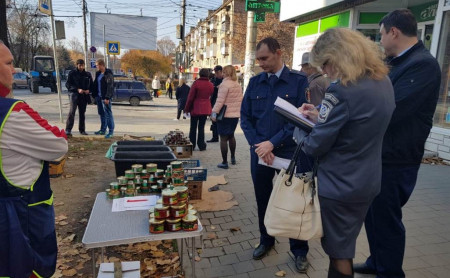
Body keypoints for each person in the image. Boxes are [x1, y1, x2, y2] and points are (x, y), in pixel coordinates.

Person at [295, 28, 395, 278]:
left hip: (340, 185)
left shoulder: (341, 90)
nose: (326, 71)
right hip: (367, 180)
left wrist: (298, 128)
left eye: (326, 64)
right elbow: (359, 124)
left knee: (339, 252)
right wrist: (322, 116)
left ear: (339, 56)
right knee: (345, 245)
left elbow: (315, 145)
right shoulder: (382, 81)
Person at [354, 9, 441, 278]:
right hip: (380, 154)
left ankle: (390, 272)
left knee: (387, 220)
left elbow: (392, 109)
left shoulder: (422, 65)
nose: (380, 41)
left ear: (394, 32)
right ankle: (377, 261)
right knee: (374, 216)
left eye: (381, 34)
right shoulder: (397, 62)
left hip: (397, 158)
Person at [240, 37, 311, 273]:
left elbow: (301, 120)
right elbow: (245, 118)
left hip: (290, 153)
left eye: (264, 58)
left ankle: (299, 250)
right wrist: (259, 146)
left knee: (293, 202)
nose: (260, 63)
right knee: (263, 199)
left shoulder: (299, 82)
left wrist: (272, 143)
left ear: (279, 53)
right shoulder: (255, 82)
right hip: (260, 154)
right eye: (258, 59)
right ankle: (266, 240)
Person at [0, 40, 68, 278]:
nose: (14, 70)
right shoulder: (11, 113)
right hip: (18, 226)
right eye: (8, 63)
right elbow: (58, 145)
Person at [211, 65, 243, 169]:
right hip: (235, 115)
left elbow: (220, 101)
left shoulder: (224, 85)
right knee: (231, 136)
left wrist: (214, 113)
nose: (222, 74)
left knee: (223, 138)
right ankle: (233, 158)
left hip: (224, 115)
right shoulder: (237, 84)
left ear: (226, 73)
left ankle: (224, 162)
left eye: (224, 72)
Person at [184, 68, 214, 151]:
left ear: (200, 74)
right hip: (205, 108)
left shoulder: (196, 83)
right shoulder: (210, 84)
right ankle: (201, 145)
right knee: (201, 127)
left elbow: (190, 98)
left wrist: (186, 108)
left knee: (193, 127)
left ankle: (192, 144)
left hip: (195, 108)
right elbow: (210, 95)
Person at [65, 59, 92, 137]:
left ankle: (82, 130)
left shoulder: (87, 74)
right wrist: (77, 89)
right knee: (72, 112)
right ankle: (68, 129)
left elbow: (91, 85)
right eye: (80, 65)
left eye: (82, 65)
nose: (81, 67)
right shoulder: (72, 73)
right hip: (74, 95)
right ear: (77, 65)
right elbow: (68, 85)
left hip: (83, 96)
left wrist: (88, 90)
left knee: (82, 113)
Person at [91, 59, 115, 138]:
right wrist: (93, 93)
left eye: (97, 65)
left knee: (108, 114)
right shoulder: (98, 73)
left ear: (102, 65)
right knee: (101, 113)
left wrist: (107, 97)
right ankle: (103, 130)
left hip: (105, 98)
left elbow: (110, 86)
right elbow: (95, 84)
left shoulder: (108, 73)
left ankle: (111, 131)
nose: (96, 67)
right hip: (98, 97)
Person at [207, 65, 223, 143]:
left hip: (223, 104)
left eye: (217, 72)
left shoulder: (225, 80)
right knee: (213, 120)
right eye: (215, 72)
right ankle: (215, 136)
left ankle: (224, 137)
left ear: (221, 71)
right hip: (213, 103)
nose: (216, 74)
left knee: (222, 120)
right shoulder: (213, 79)